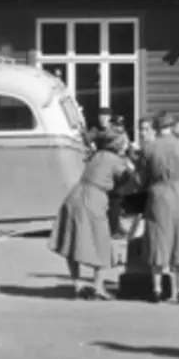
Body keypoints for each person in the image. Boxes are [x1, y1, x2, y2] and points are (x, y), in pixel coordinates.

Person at [49, 128, 139, 299]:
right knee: (102, 243)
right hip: (94, 198)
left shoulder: (97, 155)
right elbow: (130, 179)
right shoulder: (116, 160)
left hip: (75, 194)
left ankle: (77, 284)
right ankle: (98, 287)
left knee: (72, 241)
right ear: (119, 144)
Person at [140, 113, 179, 304]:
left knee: (158, 238)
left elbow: (142, 178)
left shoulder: (149, 148)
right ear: (172, 126)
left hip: (158, 193)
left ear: (156, 127)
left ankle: (157, 289)